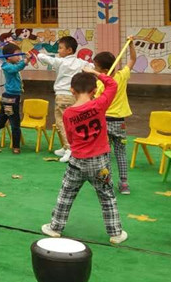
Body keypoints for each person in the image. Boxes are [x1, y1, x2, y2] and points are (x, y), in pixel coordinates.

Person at [42, 69, 128, 245]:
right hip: (100, 163)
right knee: (107, 196)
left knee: (66, 194)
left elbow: (70, 138)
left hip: (77, 161)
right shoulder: (100, 104)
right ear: (94, 90)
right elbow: (112, 84)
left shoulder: (68, 113)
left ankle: (55, 227)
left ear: (72, 90)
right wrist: (95, 72)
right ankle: (115, 233)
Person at [92, 38, 137, 195]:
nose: (94, 69)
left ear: (104, 71)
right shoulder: (122, 76)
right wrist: (131, 45)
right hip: (119, 123)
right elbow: (133, 59)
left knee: (105, 154)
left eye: (96, 67)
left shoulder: (100, 84)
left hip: (104, 122)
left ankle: (107, 182)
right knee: (121, 153)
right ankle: (124, 183)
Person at [36, 36, 89, 164]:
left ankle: (70, 149)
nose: (58, 50)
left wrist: (37, 54)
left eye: (60, 48)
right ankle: (66, 147)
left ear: (69, 50)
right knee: (72, 123)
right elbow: (92, 67)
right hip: (76, 97)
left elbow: (44, 58)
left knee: (62, 123)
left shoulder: (61, 62)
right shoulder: (81, 63)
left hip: (62, 97)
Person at [0, 36, 27, 154]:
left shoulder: (10, 65)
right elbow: (17, 68)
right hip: (11, 99)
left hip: (8, 98)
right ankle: (16, 147)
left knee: (1, 121)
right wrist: (25, 61)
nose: (19, 57)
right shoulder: (7, 66)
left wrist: (25, 60)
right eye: (17, 55)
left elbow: (17, 66)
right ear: (8, 57)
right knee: (15, 123)